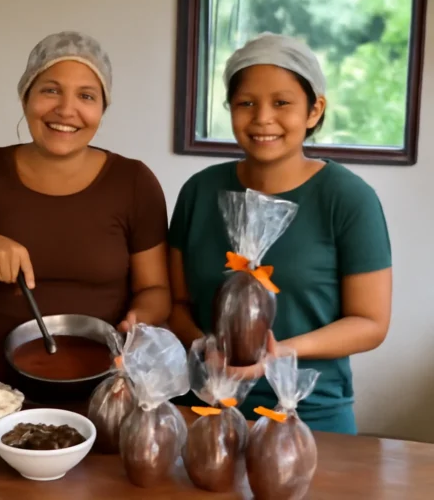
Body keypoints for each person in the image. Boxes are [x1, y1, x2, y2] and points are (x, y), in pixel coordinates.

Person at [0, 31, 171, 397]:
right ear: (25, 96)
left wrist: (135, 322)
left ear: (102, 108)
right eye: (50, 90)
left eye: (86, 96)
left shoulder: (134, 183)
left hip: (104, 388)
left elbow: (156, 289)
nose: (66, 110)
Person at [167, 33, 392, 434]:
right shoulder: (199, 192)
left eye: (282, 102)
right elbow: (178, 304)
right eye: (246, 103)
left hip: (308, 413)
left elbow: (370, 322)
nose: (262, 118)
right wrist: (205, 345)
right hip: (205, 406)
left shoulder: (348, 198)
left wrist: (279, 353)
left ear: (314, 109)